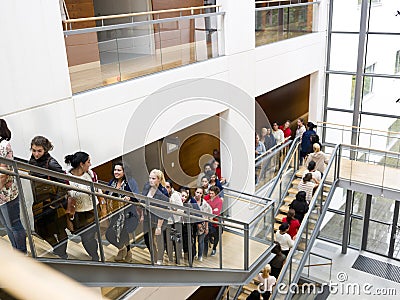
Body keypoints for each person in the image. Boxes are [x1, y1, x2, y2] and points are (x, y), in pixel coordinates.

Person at [29, 136, 68, 259]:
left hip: (53, 202)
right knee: (40, 230)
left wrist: (55, 203)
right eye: (34, 150)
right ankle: (57, 248)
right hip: (39, 202)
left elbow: (64, 182)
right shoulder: (32, 160)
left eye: (39, 151)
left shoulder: (51, 163)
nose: (36, 153)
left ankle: (62, 253)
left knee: (60, 229)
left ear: (45, 150)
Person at [65, 151, 101, 261]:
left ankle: (95, 256)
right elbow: (66, 198)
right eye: (88, 162)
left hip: (93, 211)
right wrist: (68, 219)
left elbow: (98, 191)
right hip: (79, 214)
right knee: (86, 238)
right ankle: (95, 255)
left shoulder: (91, 175)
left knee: (90, 237)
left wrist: (103, 207)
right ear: (81, 164)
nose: (90, 164)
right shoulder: (67, 179)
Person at [105, 161, 141, 263]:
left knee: (123, 234)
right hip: (115, 213)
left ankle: (128, 252)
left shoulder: (131, 182)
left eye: (119, 170)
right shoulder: (112, 182)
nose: (116, 172)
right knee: (109, 234)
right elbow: (106, 193)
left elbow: (137, 197)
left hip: (128, 214)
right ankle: (122, 249)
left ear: (124, 172)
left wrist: (130, 198)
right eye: (115, 170)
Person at [0, 119, 27, 254]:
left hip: (7, 193)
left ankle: (22, 252)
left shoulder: (4, 145)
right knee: (7, 226)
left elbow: (4, 173)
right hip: (2, 195)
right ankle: (16, 251)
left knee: (14, 224)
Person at [142, 169, 170, 265]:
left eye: (153, 178)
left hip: (159, 219)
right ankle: (154, 256)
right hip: (147, 216)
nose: (150, 180)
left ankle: (159, 259)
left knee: (159, 239)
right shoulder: (146, 186)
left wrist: (158, 226)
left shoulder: (163, 192)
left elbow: (162, 210)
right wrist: (142, 215)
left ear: (159, 179)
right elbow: (143, 201)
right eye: (150, 178)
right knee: (147, 239)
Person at [194, 187, 212, 262]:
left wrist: (206, 228)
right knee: (193, 241)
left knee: (201, 241)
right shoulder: (191, 201)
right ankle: (194, 254)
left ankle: (200, 255)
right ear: (195, 192)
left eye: (200, 193)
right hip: (193, 224)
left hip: (202, 225)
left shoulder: (205, 204)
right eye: (197, 192)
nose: (198, 194)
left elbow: (207, 216)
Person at [204, 185, 223, 257]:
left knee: (217, 235)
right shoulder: (206, 198)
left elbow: (217, 212)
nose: (210, 195)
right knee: (206, 235)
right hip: (207, 221)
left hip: (216, 222)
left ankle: (214, 248)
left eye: (212, 193)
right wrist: (212, 211)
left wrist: (210, 211)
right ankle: (204, 252)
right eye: (210, 193)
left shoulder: (219, 201)